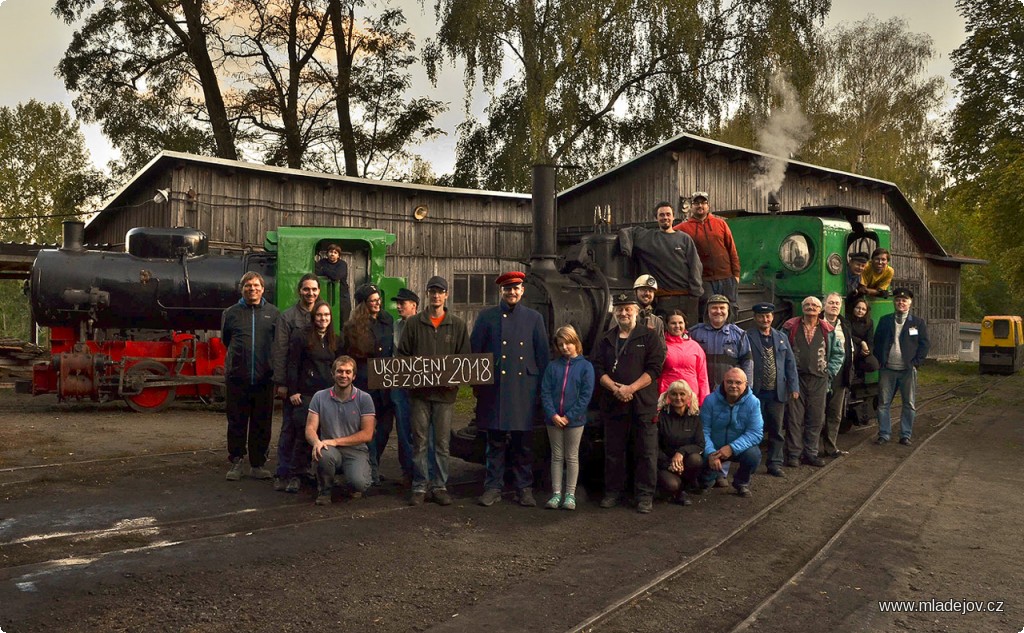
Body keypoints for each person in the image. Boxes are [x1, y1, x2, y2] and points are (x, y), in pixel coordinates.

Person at [471, 271, 550, 508]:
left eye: (516, 288)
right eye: (508, 289)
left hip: (523, 389)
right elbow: (475, 354)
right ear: (501, 291)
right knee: (494, 442)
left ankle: (523, 488)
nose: (512, 292)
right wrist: (477, 386)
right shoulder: (487, 317)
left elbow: (542, 355)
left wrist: (540, 391)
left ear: (523, 290)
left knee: (522, 443)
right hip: (495, 388)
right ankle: (492, 487)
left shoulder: (534, 318)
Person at [396, 275, 470, 506]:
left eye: (440, 291)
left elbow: (465, 360)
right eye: (432, 291)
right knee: (419, 441)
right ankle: (420, 485)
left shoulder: (457, 325)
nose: (436, 295)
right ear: (427, 294)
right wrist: (411, 379)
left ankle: (439, 486)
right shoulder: (413, 323)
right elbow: (402, 357)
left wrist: (454, 380)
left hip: (445, 396)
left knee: (442, 443)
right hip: (419, 395)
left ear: (446, 295)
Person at [591, 292, 667, 514]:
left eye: (628, 309)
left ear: (636, 311)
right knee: (614, 451)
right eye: (620, 309)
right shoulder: (606, 339)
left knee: (646, 451)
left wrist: (630, 389)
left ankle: (644, 496)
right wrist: (615, 389)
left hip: (642, 403)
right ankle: (614, 492)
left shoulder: (649, 337)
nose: (624, 313)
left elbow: (655, 369)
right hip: (614, 403)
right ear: (614, 312)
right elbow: (597, 368)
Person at [222, 271, 280, 482]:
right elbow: (226, 340)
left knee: (261, 423)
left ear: (263, 289)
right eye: (248, 286)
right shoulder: (231, 313)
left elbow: (277, 344)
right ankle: (236, 461)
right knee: (236, 421)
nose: (252, 289)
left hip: (264, 378)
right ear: (242, 289)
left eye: (256, 286)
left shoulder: (274, 313)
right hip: (238, 378)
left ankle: (258, 464)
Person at [284, 300, 342, 492]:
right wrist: (293, 391)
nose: (323, 318)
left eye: (326, 315)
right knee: (303, 434)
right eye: (319, 315)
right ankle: (294, 475)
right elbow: (292, 364)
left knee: (325, 435)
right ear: (313, 317)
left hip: (329, 395)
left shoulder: (336, 340)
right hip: (307, 394)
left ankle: (313, 473)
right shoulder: (301, 336)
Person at [781, 296, 844, 468]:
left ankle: (811, 453)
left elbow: (839, 353)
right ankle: (793, 454)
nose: (811, 308)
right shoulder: (790, 327)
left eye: (815, 305)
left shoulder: (827, 330)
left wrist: (828, 373)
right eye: (807, 305)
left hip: (819, 379)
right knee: (794, 418)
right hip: (796, 379)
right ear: (803, 308)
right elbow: (781, 351)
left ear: (820, 309)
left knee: (816, 418)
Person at [270, 273, 320, 491]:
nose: (310, 293)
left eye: (314, 289)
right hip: (294, 384)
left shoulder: (322, 314)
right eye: (306, 289)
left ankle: (304, 471)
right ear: (299, 291)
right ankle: (283, 472)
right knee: (290, 427)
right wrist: (282, 383)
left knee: (310, 429)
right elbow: (280, 351)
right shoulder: (288, 317)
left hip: (315, 385)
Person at [342, 284, 395, 487]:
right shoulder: (352, 327)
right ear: (363, 304)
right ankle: (370, 470)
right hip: (365, 385)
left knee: (384, 429)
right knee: (368, 430)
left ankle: (374, 464)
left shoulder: (388, 320)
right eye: (372, 300)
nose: (377, 303)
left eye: (378, 299)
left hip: (386, 385)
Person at [617, 201, 703, 325]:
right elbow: (627, 232)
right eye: (661, 215)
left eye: (668, 214)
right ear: (656, 218)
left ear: (673, 217)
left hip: (687, 297)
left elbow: (695, 266)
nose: (665, 218)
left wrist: (695, 294)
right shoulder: (647, 237)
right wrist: (626, 249)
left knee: (688, 335)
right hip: (663, 299)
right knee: (664, 335)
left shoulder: (684, 239)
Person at [304, 356, 375, 505]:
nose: (344, 375)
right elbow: (310, 428)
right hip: (329, 448)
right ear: (333, 374)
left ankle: (346, 479)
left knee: (360, 484)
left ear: (354, 376)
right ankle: (325, 490)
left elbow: (367, 434)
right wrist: (316, 442)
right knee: (322, 452)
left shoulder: (365, 398)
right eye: (340, 371)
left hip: (355, 450)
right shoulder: (319, 397)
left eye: (348, 372)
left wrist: (336, 441)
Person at [539, 325, 595, 511]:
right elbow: (545, 392)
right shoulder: (552, 366)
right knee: (556, 456)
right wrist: (553, 414)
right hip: (553, 419)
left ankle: (570, 494)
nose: (564, 347)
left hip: (575, 421)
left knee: (571, 456)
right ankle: (556, 493)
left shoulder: (586, 367)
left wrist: (569, 416)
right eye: (561, 344)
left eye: (568, 343)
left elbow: (585, 396)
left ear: (575, 342)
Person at [746, 302, 799, 477]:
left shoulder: (781, 337)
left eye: (768, 316)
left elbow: (790, 363)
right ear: (755, 318)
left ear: (772, 317)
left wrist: (794, 387)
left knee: (777, 430)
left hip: (778, 393)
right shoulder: (748, 336)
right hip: (756, 393)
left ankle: (775, 463)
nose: (765, 319)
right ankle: (751, 462)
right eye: (761, 316)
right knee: (755, 429)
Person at [873, 288, 929, 446]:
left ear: (910, 303)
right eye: (898, 299)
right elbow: (877, 341)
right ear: (893, 302)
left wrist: (916, 362)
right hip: (887, 369)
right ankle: (884, 434)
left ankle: (905, 435)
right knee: (883, 403)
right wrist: (880, 360)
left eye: (904, 300)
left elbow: (924, 344)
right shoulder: (885, 320)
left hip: (907, 370)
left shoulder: (917, 323)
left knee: (909, 403)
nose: (901, 302)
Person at [673, 191, 741, 319]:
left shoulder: (721, 224)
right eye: (696, 203)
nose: (700, 206)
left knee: (730, 310)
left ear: (708, 205)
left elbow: (732, 249)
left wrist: (736, 274)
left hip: (727, 278)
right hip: (703, 280)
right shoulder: (682, 228)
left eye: (703, 203)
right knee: (708, 312)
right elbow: (669, 236)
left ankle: (730, 338)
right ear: (691, 206)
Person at [391, 288, 433, 486]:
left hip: (420, 385)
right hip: (400, 384)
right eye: (398, 303)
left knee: (424, 430)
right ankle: (407, 471)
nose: (399, 306)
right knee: (403, 428)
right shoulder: (396, 326)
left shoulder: (424, 325)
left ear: (414, 306)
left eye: (403, 303)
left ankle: (427, 473)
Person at [700, 368, 763, 497]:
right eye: (729, 382)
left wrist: (731, 448)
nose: (733, 386)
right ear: (723, 382)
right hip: (714, 448)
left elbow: (755, 433)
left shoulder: (753, 403)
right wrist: (710, 452)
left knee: (753, 455)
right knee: (701, 483)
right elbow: (703, 430)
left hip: (738, 449)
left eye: (738, 382)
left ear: (746, 384)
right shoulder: (710, 401)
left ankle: (741, 482)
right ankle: (708, 479)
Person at [655, 380, 705, 505]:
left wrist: (681, 452)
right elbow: (654, 446)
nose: (678, 398)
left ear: (688, 396)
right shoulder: (660, 416)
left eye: (682, 394)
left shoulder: (694, 417)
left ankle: (685, 489)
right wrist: (669, 463)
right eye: (674, 394)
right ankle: (674, 490)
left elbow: (700, 444)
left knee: (696, 459)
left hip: (685, 461)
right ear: (668, 396)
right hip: (664, 462)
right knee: (672, 485)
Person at [688, 294, 753, 389]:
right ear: (707, 311)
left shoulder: (739, 335)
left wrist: (747, 389)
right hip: (701, 389)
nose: (718, 311)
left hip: (730, 391)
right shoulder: (694, 333)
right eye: (714, 308)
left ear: (728, 311)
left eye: (722, 308)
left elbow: (747, 363)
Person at [821, 292, 854, 458]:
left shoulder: (844, 324)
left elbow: (849, 349)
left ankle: (831, 447)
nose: (834, 306)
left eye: (837, 303)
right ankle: (810, 449)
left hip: (840, 375)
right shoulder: (817, 323)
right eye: (831, 302)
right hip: (820, 374)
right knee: (817, 414)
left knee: (835, 414)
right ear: (824, 305)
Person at [658, 311, 709, 404]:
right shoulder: (661, 346)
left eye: (680, 323)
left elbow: (703, 377)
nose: (677, 326)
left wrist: (704, 402)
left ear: (685, 324)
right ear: (667, 325)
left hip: (691, 397)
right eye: (673, 323)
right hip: (668, 397)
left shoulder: (695, 347)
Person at [315, 243, 352, 324]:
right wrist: (329, 272)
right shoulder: (322, 262)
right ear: (327, 253)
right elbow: (317, 271)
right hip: (325, 294)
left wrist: (324, 270)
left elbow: (336, 276)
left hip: (342, 295)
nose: (332, 254)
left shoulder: (342, 264)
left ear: (338, 255)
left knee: (343, 320)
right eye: (331, 252)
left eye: (335, 252)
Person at [847, 297, 881, 378]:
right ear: (853, 308)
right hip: (851, 346)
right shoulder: (847, 320)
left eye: (863, 309)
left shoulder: (869, 322)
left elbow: (870, 339)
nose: (860, 311)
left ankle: (858, 369)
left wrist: (868, 351)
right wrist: (861, 342)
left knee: (873, 364)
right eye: (858, 308)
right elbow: (848, 335)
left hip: (863, 348)